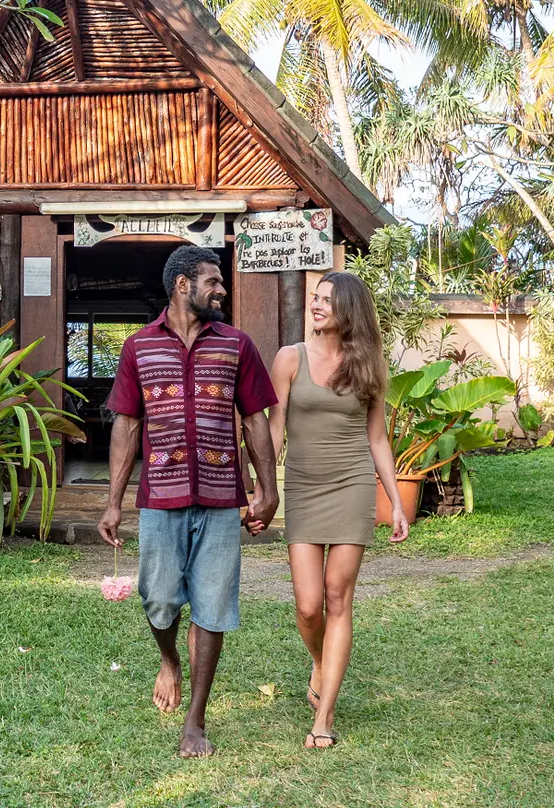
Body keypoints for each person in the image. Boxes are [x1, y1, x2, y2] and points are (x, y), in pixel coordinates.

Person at [98, 245, 279, 759]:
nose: (221, 290)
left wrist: (268, 490)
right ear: (182, 285)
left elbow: (255, 421)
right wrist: (114, 502)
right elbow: (127, 426)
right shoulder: (138, 348)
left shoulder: (237, 345)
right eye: (212, 282)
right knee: (158, 599)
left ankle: (195, 719)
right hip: (160, 498)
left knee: (214, 606)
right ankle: (170, 659)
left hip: (223, 499)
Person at [268, 271, 409, 751]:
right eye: (316, 297)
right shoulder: (289, 359)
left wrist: (394, 502)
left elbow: (377, 439)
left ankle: (324, 715)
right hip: (304, 487)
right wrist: (263, 486)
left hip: (352, 486)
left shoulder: (367, 365)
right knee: (308, 606)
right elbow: (274, 429)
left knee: (337, 596)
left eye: (327, 299)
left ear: (348, 310)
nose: (317, 304)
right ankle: (321, 660)